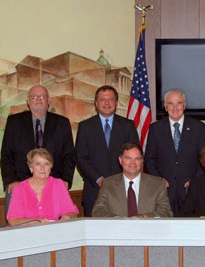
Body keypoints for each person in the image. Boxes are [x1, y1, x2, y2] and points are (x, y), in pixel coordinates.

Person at [1, 85, 75, 216]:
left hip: (53, 186)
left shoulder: (62, 123)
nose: (38, 99)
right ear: (28, 101)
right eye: (34, 96)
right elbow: (6, 154)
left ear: (48, 100)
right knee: (19, 230)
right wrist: (11, 180)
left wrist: (65, 179)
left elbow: (69, 155)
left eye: (42, 96)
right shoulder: (14, 122)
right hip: (19, 185)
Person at [76, 85, 140, 216]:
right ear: (96, 103)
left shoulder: (128, 126)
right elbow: (81, 158)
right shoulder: (85, 126)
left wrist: (119, 181)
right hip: (94, 191)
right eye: (102, 99)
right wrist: (99, 179)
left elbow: (135, 156)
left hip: (123, 190)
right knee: (95, 234)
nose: (106, 103)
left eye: (110, 99)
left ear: (116, 102)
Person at [144, 89, 205, 216]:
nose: (175, 107)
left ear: (184, 105)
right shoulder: (155, 128)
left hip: (190, 190)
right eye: (170, 103)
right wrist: (158, 179)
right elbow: (149, 159)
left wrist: (195, 181)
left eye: (178, 103)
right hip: (164, 190)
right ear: (165, 106)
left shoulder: (198, 127)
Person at [92, 143, 172, 218]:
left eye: (137, 159)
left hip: (148, 230)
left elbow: (166, 212)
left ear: (142, 161)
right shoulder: (108, 184)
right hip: (117, 230)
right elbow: (98, 211)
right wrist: (118, 220)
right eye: (128, 158)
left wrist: (144, 217)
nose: (133, 163)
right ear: (120, 160)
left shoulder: (157, 184)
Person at [7, 148, 78, 226]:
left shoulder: (58, 184)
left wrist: (68, 216)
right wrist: (35, 221)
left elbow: (71, 211)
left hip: (53, 232)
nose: (42, 168)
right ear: (31, 168)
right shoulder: (20, 189)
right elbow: (13, 220)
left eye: (46, 164)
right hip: (27, 234)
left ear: (50, 168)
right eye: (38, 164)